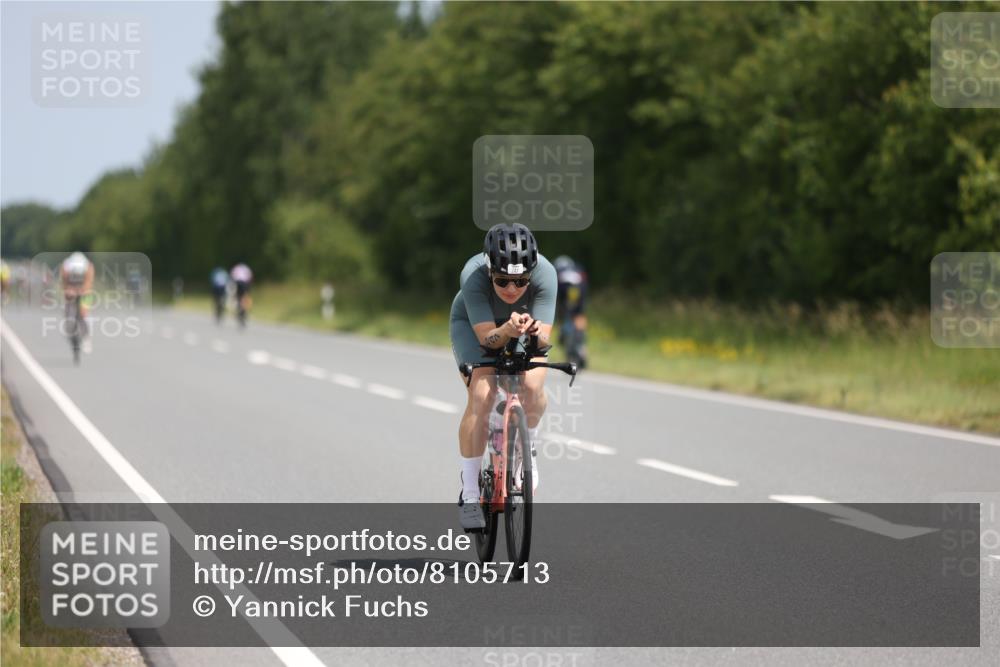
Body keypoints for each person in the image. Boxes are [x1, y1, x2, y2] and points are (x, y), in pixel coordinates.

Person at [449, 223, 557, 530]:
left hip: (521, 327)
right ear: (489, 270)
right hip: (475, 328)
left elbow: (545, 343)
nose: (512, 289)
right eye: (502, 280)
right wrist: (506, 330)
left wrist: (536, 333)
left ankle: (529, 449)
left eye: (521, 281)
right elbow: (487, 341)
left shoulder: (546, 274)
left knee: (533, 385)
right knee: (482, 395)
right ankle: (470, 494)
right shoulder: (472, 274)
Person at [553, 255, 589, 369]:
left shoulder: (558, 271)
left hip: (563, 289)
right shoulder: (577, 269)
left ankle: (563, 333)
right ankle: (581, 345)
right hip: (580, 289)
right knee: (579, 315)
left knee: (562, 311)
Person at [60, 252, 95, 352]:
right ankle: (70, 329)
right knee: (68, 312)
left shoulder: (89, 267)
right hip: (71, 288)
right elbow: (64, 282)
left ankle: (86, 337)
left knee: (83, 314)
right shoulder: (65, 267)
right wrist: (68, 290)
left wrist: (82, 291)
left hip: (84, 291)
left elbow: (89, 283)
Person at [230, 262, 253, 326]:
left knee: (238, 296)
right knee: (245, 297)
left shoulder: (236, 268)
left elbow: (233, 276)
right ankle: (243, 310)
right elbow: (250, 277)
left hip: (238, 283)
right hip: (245, 283)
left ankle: (239, 308)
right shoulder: (246, 268)